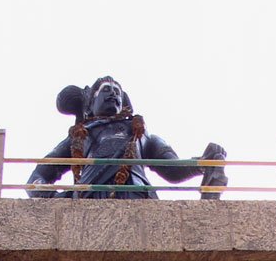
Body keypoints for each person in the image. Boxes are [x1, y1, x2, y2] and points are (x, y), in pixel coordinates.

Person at [26, 76, 227, 199]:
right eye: (106, 90)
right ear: (91, 102)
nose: (113, 94)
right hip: (90, 199)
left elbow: (171, 168)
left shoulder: (140, 133)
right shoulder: (79, 137)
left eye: (117, 92)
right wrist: (58, 197)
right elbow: (36, 177)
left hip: (138, 196)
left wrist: (202, 163)